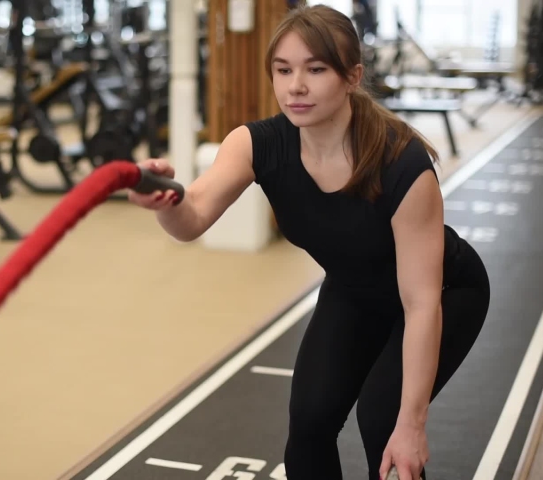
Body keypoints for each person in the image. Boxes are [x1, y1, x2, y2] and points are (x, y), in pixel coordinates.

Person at [128, 5, 490, 480]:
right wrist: (164, 202)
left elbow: (421, 303)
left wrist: (413, 423)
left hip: (443, 293)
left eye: (315, 69)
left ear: (352, 77)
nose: (295, 86)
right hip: (355, 289)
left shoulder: (401, 163)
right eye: (283, 70)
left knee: (384, 421)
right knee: (310, 423)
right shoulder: (256, 144)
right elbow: (191, 218)